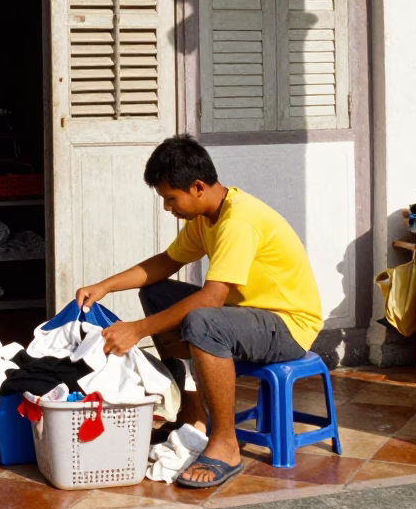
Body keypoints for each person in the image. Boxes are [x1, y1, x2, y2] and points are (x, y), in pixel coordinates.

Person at [74, 134, 323, 489]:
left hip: (288, 326)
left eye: (170, 199)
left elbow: (211, 300)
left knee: (203, 320)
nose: (167, 208)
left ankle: (225, 445)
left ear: (197, 187)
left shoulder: (239, 221)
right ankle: (193, 418)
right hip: (247, 317)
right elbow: (165, 263)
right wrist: (105, 286)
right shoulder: (207, 218)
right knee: (158, 294)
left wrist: (138, 330)